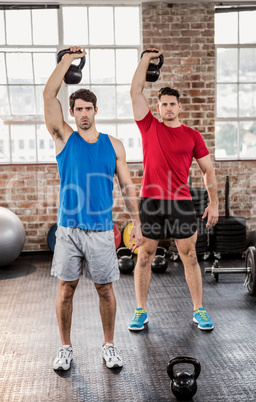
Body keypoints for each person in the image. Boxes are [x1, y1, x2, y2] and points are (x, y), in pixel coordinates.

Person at [43, 46, 142, 371]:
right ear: (72, 113)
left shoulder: (113, 146)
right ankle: (65, 347)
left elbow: (128, 188)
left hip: (101, 230)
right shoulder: (64, 138)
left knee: (105, 289)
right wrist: (66, 62)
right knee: (66, 289)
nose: (84, 113)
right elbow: (48, 95)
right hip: (69, 229)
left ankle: (109, 345)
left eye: (88, 108)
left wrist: (137, 223)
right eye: (78, 109)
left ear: (96, 110)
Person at [128, 48, 218, 332]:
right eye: (163, 104)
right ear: (158, 107)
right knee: (144, 256)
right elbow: (134, 91)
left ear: (180, 107)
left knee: (190, 256)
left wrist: (213, 203)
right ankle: (140, 310)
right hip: (151, 201)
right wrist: (145, 59)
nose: (167, 108)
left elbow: (208, 170)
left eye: (172, 104)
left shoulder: (193, 136)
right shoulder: (149, 127)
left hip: (180, 202)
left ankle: (199, 309)